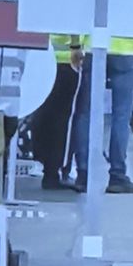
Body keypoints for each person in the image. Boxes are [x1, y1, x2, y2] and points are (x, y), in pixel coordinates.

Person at [71, 36, 133, 194]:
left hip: (94, 47)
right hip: (127, 53)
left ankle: (83, 174)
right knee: (121, 117)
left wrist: (75, 46)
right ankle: (117, 176)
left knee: (85, 113)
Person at [30, 35, 83, 190]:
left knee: (43, 113)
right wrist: (76, 46)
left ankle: (44, 165)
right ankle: (57, 170)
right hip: (67, 60)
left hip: (42, 58)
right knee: (64, 120)